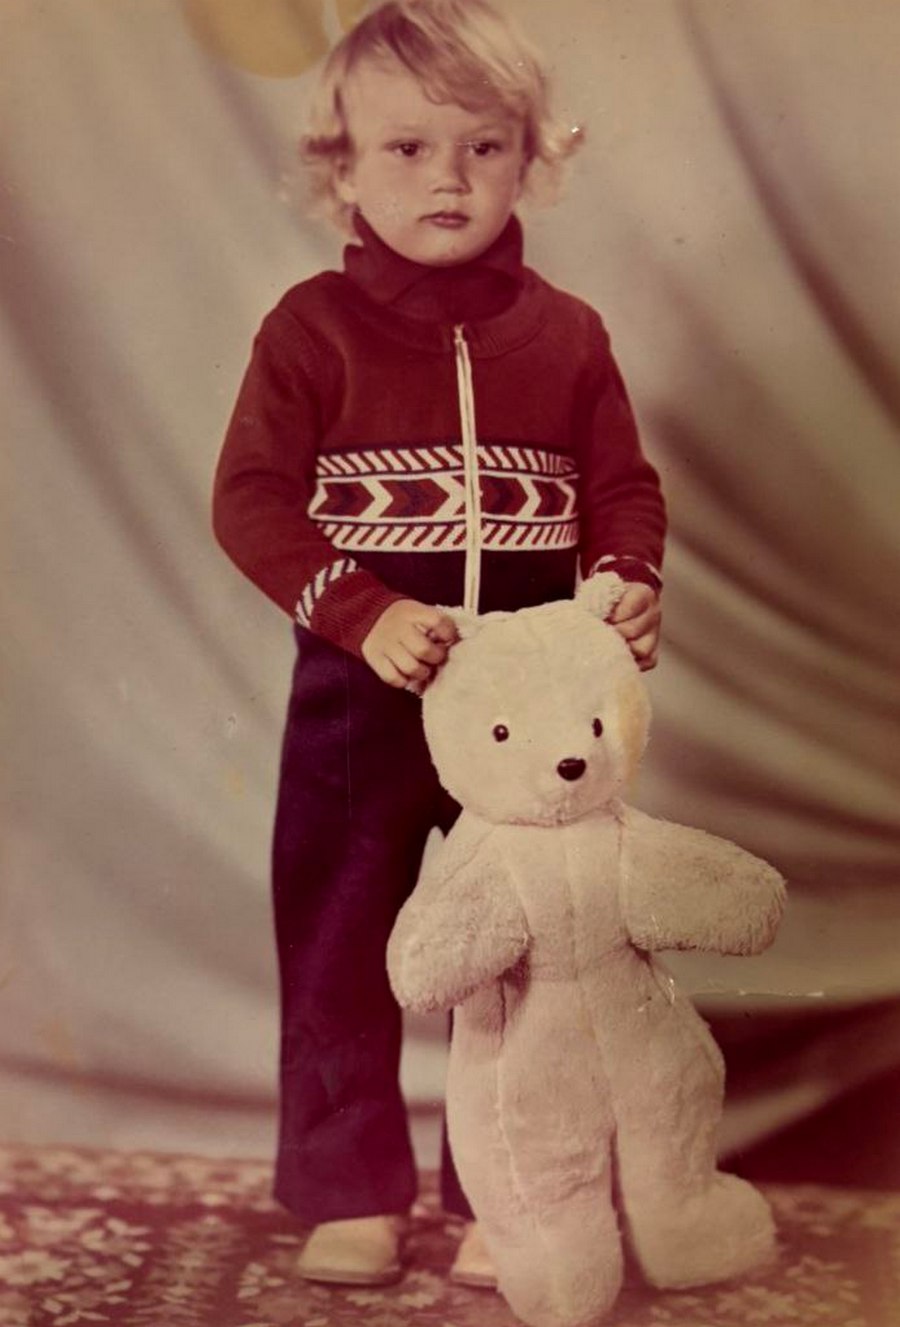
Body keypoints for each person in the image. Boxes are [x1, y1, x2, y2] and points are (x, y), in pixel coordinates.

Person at [212, 0, 665, 1289]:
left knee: (528, 950)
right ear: (340, 168)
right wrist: (363, 613)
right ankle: (350, 1190)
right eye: (407, 148)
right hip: (361, 704)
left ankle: (508, 1190)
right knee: (341, 939)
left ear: (531, 161)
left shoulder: (569, 334)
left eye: (483, 146)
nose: (448, 178)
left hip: (532, 716)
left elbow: (621, 489)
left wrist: (625, 577)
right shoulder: (311, 329)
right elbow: (250, 500)